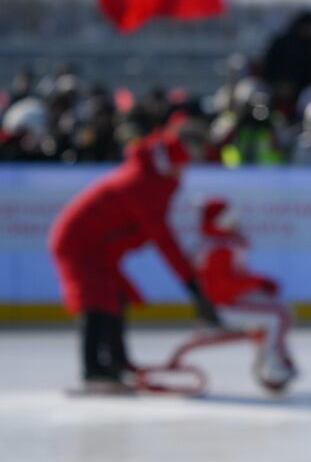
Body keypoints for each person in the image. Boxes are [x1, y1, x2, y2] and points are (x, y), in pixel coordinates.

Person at [48, 124, 224, 393]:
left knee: (116, 296)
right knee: (95, 301)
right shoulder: (145, 184)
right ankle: (92, 369)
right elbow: (164, 241)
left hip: (98, 246)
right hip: (79, 245)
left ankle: (116, 362)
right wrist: (194, 288)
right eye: (189, 161)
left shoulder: (155, 176)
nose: (189, 168)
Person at [194, 199, 297, 392]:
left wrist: (258, 285)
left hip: (224, 302)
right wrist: (257, 282)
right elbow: (223, 286)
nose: (237, 221)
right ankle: (273, 365)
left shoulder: (224, 244)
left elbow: (231, 281)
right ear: (222, 220)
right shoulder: (219, 248)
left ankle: (271, 356)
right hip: (223, 308)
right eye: (231, 217)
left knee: (277, 310)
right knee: (277, 316)